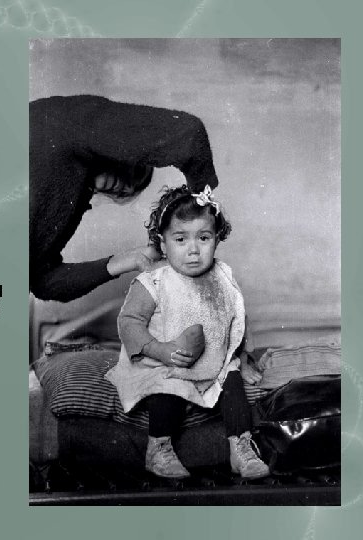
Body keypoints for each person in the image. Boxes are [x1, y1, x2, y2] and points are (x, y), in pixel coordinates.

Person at [105, 185, 269, 479]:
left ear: (217, 240)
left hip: (214, 359)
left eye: (203, 238)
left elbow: (238, 319)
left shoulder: (222, 276)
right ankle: (159, 449)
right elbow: (129, 322)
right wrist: (159, 350)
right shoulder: (154, 281)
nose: (193, 250)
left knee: (233, 387)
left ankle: (241, 448)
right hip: (164, 359)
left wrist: (243, 358)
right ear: (163, 244)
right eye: (180, 239)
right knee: (168, 389)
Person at [30, 95, 220, 302]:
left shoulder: (72, 197)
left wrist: (129, 260)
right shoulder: (62, 122)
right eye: (135, 174)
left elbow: (42, 281)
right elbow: (190, 133)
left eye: (126, 191)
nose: (126, 186)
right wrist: (202, 202)